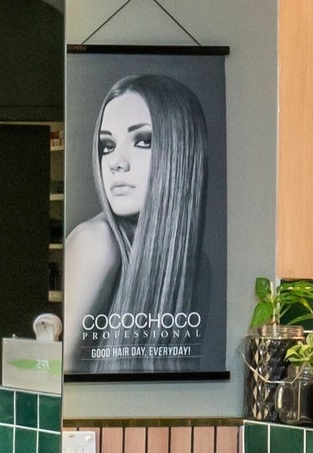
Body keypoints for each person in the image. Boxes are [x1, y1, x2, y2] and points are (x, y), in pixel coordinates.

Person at [62, 72, 215, 377]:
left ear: (180, 152)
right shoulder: (97, 242)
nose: (116, 162)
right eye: (107, 145)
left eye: (142, 141)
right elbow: (65, 380)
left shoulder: (198, 265)